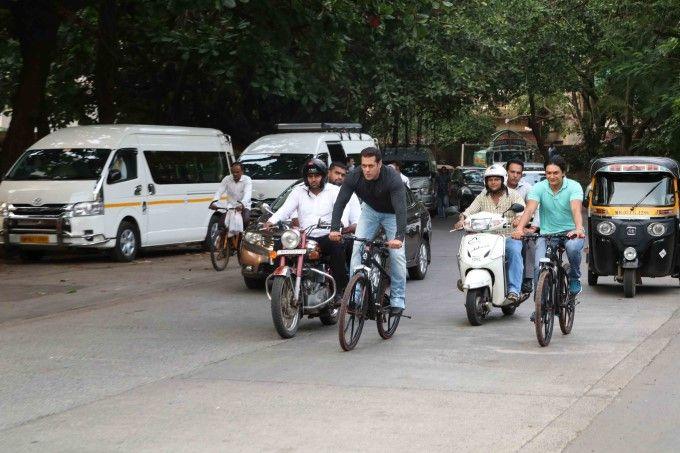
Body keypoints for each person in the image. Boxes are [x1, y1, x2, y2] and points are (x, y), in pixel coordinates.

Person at [330, 147, 408, 316]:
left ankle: (397, 300)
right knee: (357, 250)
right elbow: (340, 203)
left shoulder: (393, 178)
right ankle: (355, 298)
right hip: (370, 211)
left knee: (398, 256)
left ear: (380, 164)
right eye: (364, 165)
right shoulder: (354, 176)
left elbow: (401, 210)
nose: (366, 170)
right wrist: (335, 228)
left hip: (392, 214)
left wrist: (399, 237)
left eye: (371, 166)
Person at [264, 159, 350, 299]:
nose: (313, 179)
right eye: (310, 177)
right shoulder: (298, 191)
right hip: (305, 236)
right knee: (279, 244)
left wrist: (339, 225)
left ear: (323, 176)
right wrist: (271, 221)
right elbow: (285, 209)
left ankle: (340, 290)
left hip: (326, 236)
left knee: (337, 247)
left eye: (317, 176)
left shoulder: (334, 191)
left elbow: (341, 211)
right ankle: (277, 281)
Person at [511, 156, 585, 318]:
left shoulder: (574, 187)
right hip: (547, 234)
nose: (552, 176)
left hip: (571, 232)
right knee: (539, 266)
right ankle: (540, 305)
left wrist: (578, 228)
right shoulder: (539, 188)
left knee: (573, 248)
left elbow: (575, 209)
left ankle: (574, 277)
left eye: (556, 173)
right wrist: (520, 228)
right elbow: (529, 210)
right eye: (548, 173)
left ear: (563, 173)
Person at [454, 164, 525, 304]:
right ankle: (464, 279)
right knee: (464, 251)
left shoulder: (513, 195)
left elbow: (523, 213)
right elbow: (469, 211)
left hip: (507, 237)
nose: (493, 182)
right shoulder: (482, 197)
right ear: (486, 182)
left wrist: (518, 219)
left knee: (515, 251)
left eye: (496, 179)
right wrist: (462, 220)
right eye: (490, 179)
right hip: (485, 238)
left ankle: (514, 290)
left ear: (503, 180)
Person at [505, 159, 538, 294]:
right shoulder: (495, 186)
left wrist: (532, 227)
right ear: (506, 172)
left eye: (518, 173)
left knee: (529, 239)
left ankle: (527, 278)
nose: (515, 175)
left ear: (522, 175)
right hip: (496, 229)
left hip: (521, 227)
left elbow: (534, 209)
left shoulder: (527, 188)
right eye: (512, 172)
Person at [328, 161, 362, 265]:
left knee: (350, 244)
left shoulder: (350, 195)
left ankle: (348, 277)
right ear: (328, 173)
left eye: (343, 175)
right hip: (311, 236)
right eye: (337, 173)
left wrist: (343, 231)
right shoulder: (315, 191)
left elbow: (357, 223)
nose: (340, 177)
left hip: (340, 236)